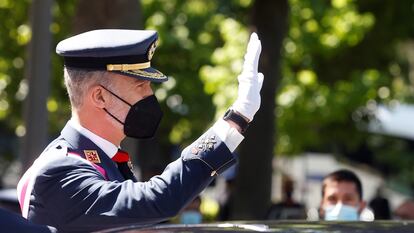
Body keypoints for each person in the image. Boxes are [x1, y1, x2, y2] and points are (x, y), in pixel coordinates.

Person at [16, 29, 263, 232]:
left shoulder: (105, 160)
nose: (150, 95)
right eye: (141, 85)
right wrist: (237, 118)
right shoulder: (60, 171)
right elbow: (158, 199)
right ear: (100, 96)